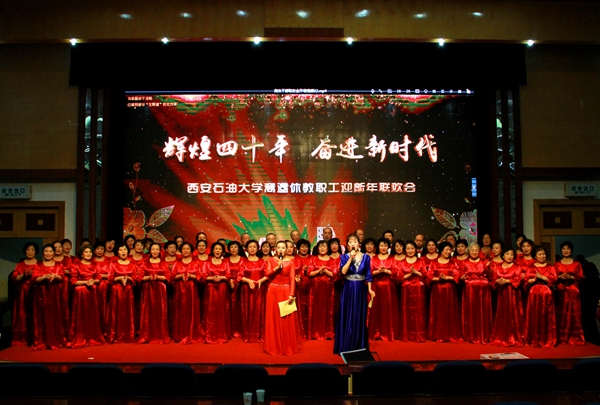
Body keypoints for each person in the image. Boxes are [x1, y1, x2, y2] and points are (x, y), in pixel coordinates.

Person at [334, 234, 375, 354]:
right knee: (347, 314)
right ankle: (346, 345)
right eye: (350, 242)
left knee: (359, 314)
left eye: (355, 241)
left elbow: (368, 275)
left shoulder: (366, 257)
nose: (353, 244)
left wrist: (370, 290)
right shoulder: (344, 257)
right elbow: (343, 271)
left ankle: (359, 345)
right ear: (347, 245)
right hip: (348, 288)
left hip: (361, 289)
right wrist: (350, 258)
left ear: (359, 244)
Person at [264, 240, 302, 355]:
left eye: (283, 247)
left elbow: (292, 280)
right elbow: (267, 274)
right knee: (273, 318)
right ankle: (274, 346)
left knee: (286, 319)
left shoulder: (290, 262)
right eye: (279, 247)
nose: (281, 249)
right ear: (275, 249)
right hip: (272, 291)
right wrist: (277, 267)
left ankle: (286, 345)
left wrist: (291, 294)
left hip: (285, 291)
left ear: (286, 250)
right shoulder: (271, 260)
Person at [68, 244, 104, 348]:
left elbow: (99, 278)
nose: (88, 254)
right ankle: (80, 336)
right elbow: (73, 281)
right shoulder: (76, 265)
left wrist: (93, 281)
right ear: (82, 254)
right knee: (81, 314)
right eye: (86, 252)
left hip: (92, 291)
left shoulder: (95, 265)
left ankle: (93, 336)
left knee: (92, 314)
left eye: (90, 252)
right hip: (80, 293)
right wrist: (85, 282)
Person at [31, 244, 66, 350]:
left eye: (50, 251)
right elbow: (34, 279)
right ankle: (41, 341)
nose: (48, 253)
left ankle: (55, 340)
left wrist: (55, 276)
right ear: (43, 253)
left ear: (54, 253)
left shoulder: (59, 265)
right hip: (41, 295)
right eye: (46, 251)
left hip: (54, 294)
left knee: (54, 316)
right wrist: (45, 277)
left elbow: (62, 277)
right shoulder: (38, 265)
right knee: (41, 317)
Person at [427, 242, 462, 342]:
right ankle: (437, 334)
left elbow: (457, 276)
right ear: (441, 251)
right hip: (437, 291)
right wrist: (438, 279)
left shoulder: (453, 262)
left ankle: (450, 334)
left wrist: (446, 278)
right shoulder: (434, 263)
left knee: (449, 312)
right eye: (446, 249)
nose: (448, 252)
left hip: (450, 291)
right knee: (438, 312)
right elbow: (429, 276)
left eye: (450, 250)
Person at [524, 246, 557, 348]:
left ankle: (546, 339)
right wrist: (534, 279)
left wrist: (543, 277)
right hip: (534, 292)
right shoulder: (531, 267)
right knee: (534, 314)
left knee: (546, 315)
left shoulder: (550, 267)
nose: (542, 256)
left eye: (543, 254)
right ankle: (533, 338)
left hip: (546, 292)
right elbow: (526, 280)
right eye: (540, 254)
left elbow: (554, 279)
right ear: (535, 256)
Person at [137, 242, 170, 344]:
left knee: (160, 312)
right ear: (150, 251)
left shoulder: (164, 263)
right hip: (148, 290)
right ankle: (147, 335)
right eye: (153, 249)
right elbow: (139, 277)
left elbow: (168, 277)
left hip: (160, 291)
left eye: (157, 249)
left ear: (160, 251)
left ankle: (160, 335)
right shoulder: (145, 263)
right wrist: (149, 277)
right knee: (147, 312)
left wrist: (157, 277)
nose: (155, 251)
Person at [170, 242, 203, 344]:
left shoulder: (196, 262)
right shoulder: (176, 263)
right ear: (180, 251)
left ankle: (192, 334)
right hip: (179, 290)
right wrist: (180, 276)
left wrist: (191, 276)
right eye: (183, 249)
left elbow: (200, 276)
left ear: (191, 251)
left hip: (192, 290)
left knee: (192, 310)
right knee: (180, 311)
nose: (185, 250)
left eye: (188, 249)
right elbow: (171, 276)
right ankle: (179, 334)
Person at [491, 248, 524, 347]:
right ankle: (501, 336)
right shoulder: (498, 267)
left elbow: (518, 279)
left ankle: (513, 337)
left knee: (513, 314)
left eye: (512, 254)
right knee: (502, 314)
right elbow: (494, 279)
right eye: (507, 254)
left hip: (513, 294)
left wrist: (508, 281)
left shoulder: (517, 267)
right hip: (501, 295)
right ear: (503, 255)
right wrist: (498, 281)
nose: (510, 256)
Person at [461, 242, 492, 344]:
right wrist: (462, 278)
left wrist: (488, 268)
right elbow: (461, 275)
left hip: (483, 291)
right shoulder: (464, 262)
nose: (474, 252)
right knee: (471, 311)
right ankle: (471, 335)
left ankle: (484, 334)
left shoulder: (484, 262)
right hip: (470, 290)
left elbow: (490, 276)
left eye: (476, 250)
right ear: (469, 251)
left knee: (483, 312)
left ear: (479, 252)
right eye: (472, 250)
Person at [238, 240, 268, 343]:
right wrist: (248, 281)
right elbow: (239, 276)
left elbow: (267, 275)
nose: (252, 249)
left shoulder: (262, 261)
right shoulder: (243, 262)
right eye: (250, 247)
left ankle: (260, 334)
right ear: (246, 249)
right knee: (248, 311)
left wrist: (261, 280)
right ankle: (249, 334)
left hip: (260, 289)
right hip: (247, 290)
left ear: (257, 248)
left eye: (254, 247)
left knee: (260, 311)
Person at [555, 241, 585, 345]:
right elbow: (553, 276)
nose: (565, 251)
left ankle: (575, 337)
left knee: (574, 313)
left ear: (571, 250)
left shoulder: (577, 263)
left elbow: (580, 277)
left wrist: (570, 277)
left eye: (568, 248)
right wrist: (560, 277)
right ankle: (561, 337)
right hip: (561, 290)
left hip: (573, 290)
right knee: (561, 313)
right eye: (563, 249)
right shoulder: (557, 264)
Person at [369, 238, 399, 341]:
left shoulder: (392, 258)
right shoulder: (373, 258)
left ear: (388, 247)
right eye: (381, 245)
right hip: (376, 287)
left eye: (385, 246)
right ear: (378, 247)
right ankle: (376, 332)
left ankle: (388, 332)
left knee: (388, 309)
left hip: (389, 288)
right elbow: (370, 272)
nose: (383, 248)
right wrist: (378, 272)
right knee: (376, 309)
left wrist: (386, 271)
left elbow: (396, 273)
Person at [202, 242, 233, 343]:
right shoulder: (207, 263)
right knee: (210, 310)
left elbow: (228, 275)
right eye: (216, 249)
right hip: (210, 289)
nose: (218, 251)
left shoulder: (226, 263)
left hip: (222, 289)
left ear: (222, 251)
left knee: (222, 310)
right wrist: (212, 278)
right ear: (212, 250)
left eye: (220, 249)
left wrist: (221, 277)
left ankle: (222, 334)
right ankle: (209, 334)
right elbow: (203, 276)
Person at [397, 241, 427, 342]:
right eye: (408, 248)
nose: (410, 251)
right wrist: (410, 274)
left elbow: (425, 275)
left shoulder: (421, 261)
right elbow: (399, 277)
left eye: (412, 248)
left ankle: (419, 335)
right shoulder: (402, 262)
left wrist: (416, 272)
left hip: (419, 289)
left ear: (415, 250)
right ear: (405, 250)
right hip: (406, 289)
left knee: (419, 312)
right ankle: (406, 335)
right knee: (406, 312)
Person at [107, 244, 137, 343]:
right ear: (117, 252)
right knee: (116, 312)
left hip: (128, 290)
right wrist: (118, 278)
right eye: (121, 249)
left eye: (125, 249)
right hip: (116, 290)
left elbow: (136, 277)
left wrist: (129, 278)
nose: (123, 251)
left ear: (128, 251)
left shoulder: (133, 264)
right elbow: (110, 277)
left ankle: (129, 334)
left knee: (128, 312)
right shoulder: (113, 264)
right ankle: (115, 335)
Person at [307, 240, 336, 340]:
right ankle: (314, 333)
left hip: (328, 290)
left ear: (328, 248)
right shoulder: (313, 259)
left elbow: (335, 275)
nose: (322, 248)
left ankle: (328, 333)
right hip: (315, 289)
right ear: (317, 248)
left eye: (324, 246)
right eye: (320, 246)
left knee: (328, 310)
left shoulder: (332, 260)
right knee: (316, 309)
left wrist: (326, 271)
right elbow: (309, 273)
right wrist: (319, 271)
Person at [10, 242, 38, 346]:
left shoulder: (39, 264)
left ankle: (35, 338)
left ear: (36, 252)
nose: (30, 252)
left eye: (32, 250)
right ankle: (22, 338)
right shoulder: (20, 264)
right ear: (25, 251)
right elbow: (14, 278)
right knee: (22, 314)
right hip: (22, 292)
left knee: (35, 314)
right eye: (28, 250)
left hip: (35, 291)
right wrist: (24, 275)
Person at [92, 241, 111, 339]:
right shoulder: (90, 260)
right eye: (97, 249)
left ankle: (106, 329)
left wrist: (99, 276)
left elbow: (111, 274)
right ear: (94, 250)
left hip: (106, 287)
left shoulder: (109, 261)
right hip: (93, 287)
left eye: (102, 249)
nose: (99, 251)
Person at [227, 241, 246, 339]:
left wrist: (238, 280)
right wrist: (229, 279)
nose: (233, 249)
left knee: (240, 308)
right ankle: (229, 330)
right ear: (228, 249)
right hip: (227, 286)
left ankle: (240, 329)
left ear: (239, 249)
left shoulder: (244, 260)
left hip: (241, 287)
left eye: (235, 247)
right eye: (232, 247)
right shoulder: (225, 260)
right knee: (228, 308)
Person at [294, 238, 312, 340]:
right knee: (299, 307)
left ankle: (309, 330)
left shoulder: (313, 258)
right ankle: (299, 330)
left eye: (306, 247)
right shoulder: (294, 258)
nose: (304, 249)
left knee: (310, 307)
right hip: (298, 286)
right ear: (298, 248)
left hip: (311, 285)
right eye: (302, 246)